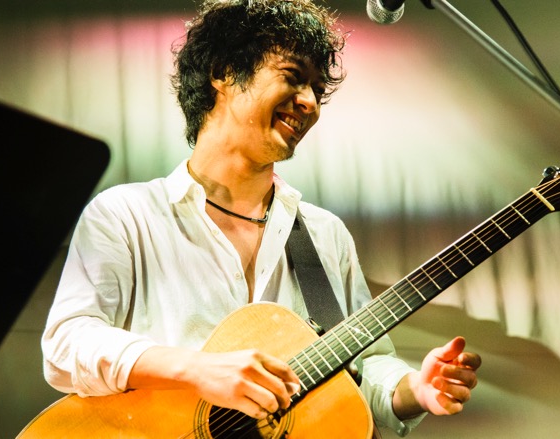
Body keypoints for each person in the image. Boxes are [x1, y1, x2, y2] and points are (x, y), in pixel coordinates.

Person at [41, 0, 481, 436]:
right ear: (223, 72)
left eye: (317, 90)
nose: (310, 103)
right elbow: (66, 344)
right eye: (293, 77)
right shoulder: (124, 215)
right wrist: (198, 370)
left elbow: (361, 372)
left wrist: (415, 390)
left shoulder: (324, 236)